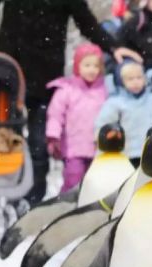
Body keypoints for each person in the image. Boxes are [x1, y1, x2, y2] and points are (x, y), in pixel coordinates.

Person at [0, 0, 142, 204]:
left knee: (39, 144)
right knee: (6, 139)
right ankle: (1, 196)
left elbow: (86, 21)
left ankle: (32, 199)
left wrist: (112, 46)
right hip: (10, 74)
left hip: (45, 78)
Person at [46, 44, 109, 193]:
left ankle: (90, 210)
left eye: (96, 66)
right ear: (77, 66)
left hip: (97, 147)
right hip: (73, 146)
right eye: (87, 65)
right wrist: (53, 135)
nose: (92, 70)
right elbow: (55, 114)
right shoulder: (67, 89)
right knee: (73, 179)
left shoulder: (104, 90)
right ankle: (67, 206)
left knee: (94, 182)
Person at [95, 60, 152, 166]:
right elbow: (103, 125)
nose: (136, 82)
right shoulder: (115, 103)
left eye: (139, 77)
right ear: (121, 81)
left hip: (151, 153)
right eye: (130, 79)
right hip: (125, 153)